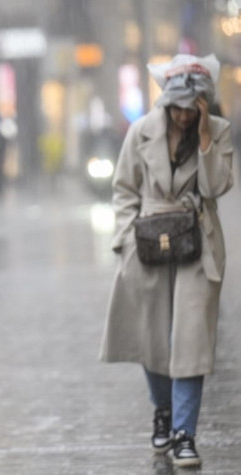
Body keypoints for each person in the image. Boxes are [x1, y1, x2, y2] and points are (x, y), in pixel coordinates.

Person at [100, 54, 234, 468]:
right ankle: (162, 411)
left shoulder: (218, 132)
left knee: (191, 340)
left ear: (202, 104)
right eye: (175, 106)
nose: (181, 115)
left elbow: (216, 187)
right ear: (165, 103)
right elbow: (123, 190)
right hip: (147, 244)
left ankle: (184, 432)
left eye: (189, 107)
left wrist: (208, 137)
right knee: (152, 339)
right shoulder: (141, 132)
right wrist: (124, 241)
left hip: (198, 242)